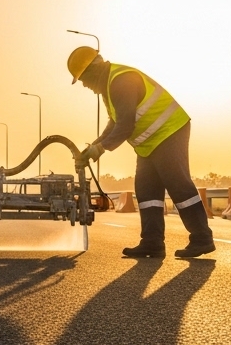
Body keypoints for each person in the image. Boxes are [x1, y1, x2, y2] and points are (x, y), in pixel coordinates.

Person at [70, 46, 216, 258]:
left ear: (93, 70)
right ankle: (152, 242)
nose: (84, 85)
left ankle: (202, 238)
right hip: (149, 143)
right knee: (147, 191)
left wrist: (99, 149)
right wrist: (94, 145)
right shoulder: (109, 86)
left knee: (178, 184)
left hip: (168, 131)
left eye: (83, 79)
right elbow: (115, 122)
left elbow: (125, 125)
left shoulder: (121, 81)